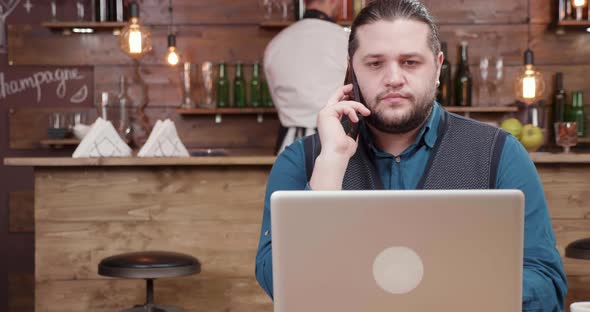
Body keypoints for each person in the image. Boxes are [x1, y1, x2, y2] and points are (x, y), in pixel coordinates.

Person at [255, 0, 568, 310]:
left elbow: (546, 283)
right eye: (375, 63)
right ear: (351, 69)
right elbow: (279, 283)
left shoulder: (498, 153)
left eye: (410, 62)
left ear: (438, 67)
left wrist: (453, 298)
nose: (393, 78)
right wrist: (331, 164)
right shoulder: (302, 161)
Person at [263, 0, 349, 155]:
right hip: (333, 143)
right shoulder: (344, 41)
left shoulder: (276, 43)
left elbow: (275, 95)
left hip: (288, 146)